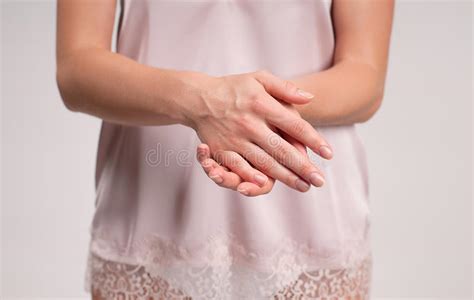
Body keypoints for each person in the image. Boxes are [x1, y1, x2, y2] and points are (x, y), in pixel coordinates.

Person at [56, 0, 394, 298]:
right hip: (147, 220)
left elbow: (366, 77)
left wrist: (245, 107)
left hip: (307, 217)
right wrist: (203, 101)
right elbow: (76, 68)